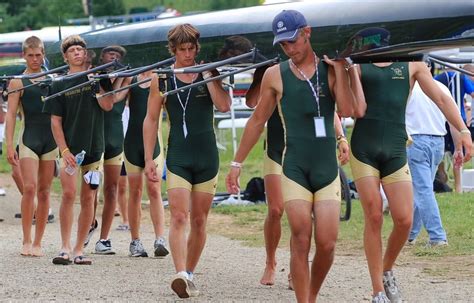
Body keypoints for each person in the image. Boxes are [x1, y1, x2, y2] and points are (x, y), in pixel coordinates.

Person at [226, 10, 354, 302]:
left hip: (325, 167)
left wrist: (344, 72)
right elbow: (257, 120)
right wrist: (236, 164)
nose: (289, 49)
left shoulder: (329, 69)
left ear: (307, 33)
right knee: (299, 234)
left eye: (293, 41)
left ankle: (311, 292)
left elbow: (345, 110)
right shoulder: (275, 75)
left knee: (328, 243)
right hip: (294, 166)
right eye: (283, 44)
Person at [349, 59, 472, 302]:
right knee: (373, 215)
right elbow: (348, 107)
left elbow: (441, 98)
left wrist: (463, 130)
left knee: (404, 220)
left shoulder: (413, 66)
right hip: (363, 148)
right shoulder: (357, 65)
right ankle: (377, 291)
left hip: (396, 147)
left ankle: (386, 269)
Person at [143, 23, 231, 298]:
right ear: (173, 49)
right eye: (183, 49)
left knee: (200, 220)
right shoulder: (163, 78)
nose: (188, 54)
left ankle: (190, 272)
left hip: (207, 156)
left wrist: (209, 75)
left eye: (192, 48)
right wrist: (149, 158)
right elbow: (151, 118)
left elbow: (224, 106)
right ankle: (180, 272)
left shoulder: (209, 72)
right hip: (178, 155)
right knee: (179, 215)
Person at [43, 35, 115, 265]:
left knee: (89, 197)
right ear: (66, 57)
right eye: (72, 50)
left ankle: (78, 250)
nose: (77, 53)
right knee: (68, 194)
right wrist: (64, 151)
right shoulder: (58, 84)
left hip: (94, 149)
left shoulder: (98, 79)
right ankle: (64, 247)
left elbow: (108, 105)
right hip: (69, 152)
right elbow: (55, 121)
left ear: (86, 54)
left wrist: (97, 85)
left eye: (80, 49)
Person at [5, 36, 58, 257]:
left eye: (38, 55)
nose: (35, 59)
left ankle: (38, 241)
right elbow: (10, 116)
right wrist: (9, 146)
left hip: (50, 141)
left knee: (45, 192)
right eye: (30, 55)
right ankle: (26, 239)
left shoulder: (54, 80)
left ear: (43, 54)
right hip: (29, 139)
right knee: (29, 188)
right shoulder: (17, 82)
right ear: (24, 56)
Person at [114, 70, 168, 257]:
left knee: (154, 188)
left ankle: (160, 239)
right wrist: (121, 77)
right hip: (132, 142)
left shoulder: (162, 79)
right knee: (135, 191)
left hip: (153, 145)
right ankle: (135, 241)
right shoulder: (132, 78)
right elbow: (115, 99)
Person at [406, 79, 463, 247]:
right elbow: (454, 120)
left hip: (415, 141)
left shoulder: (407, 85)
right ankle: (410, 234)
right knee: (422, 188)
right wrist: (458, 147)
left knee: (423, 190)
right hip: (438, 142)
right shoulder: (441, 87)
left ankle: (437, 236)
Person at [89, 45, 128, 255]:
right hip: (95, 137)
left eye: (118, 56)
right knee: (91, 188)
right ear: (102, 57)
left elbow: (114, 100)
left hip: (115, 138)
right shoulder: (93, 78)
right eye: (110, 55)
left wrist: (120, 77)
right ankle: (89, 224)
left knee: (112, 188)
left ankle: (104, 238)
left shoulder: (126, 78)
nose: (114, 58)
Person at [434, 65, 474, 192]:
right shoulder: (461, 77)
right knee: (458, 152)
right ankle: (458, 186)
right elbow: (472, 93)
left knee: (440, 150)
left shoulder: (437, 78)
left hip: (441, 119)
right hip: (458, 119)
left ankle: (441, 175)